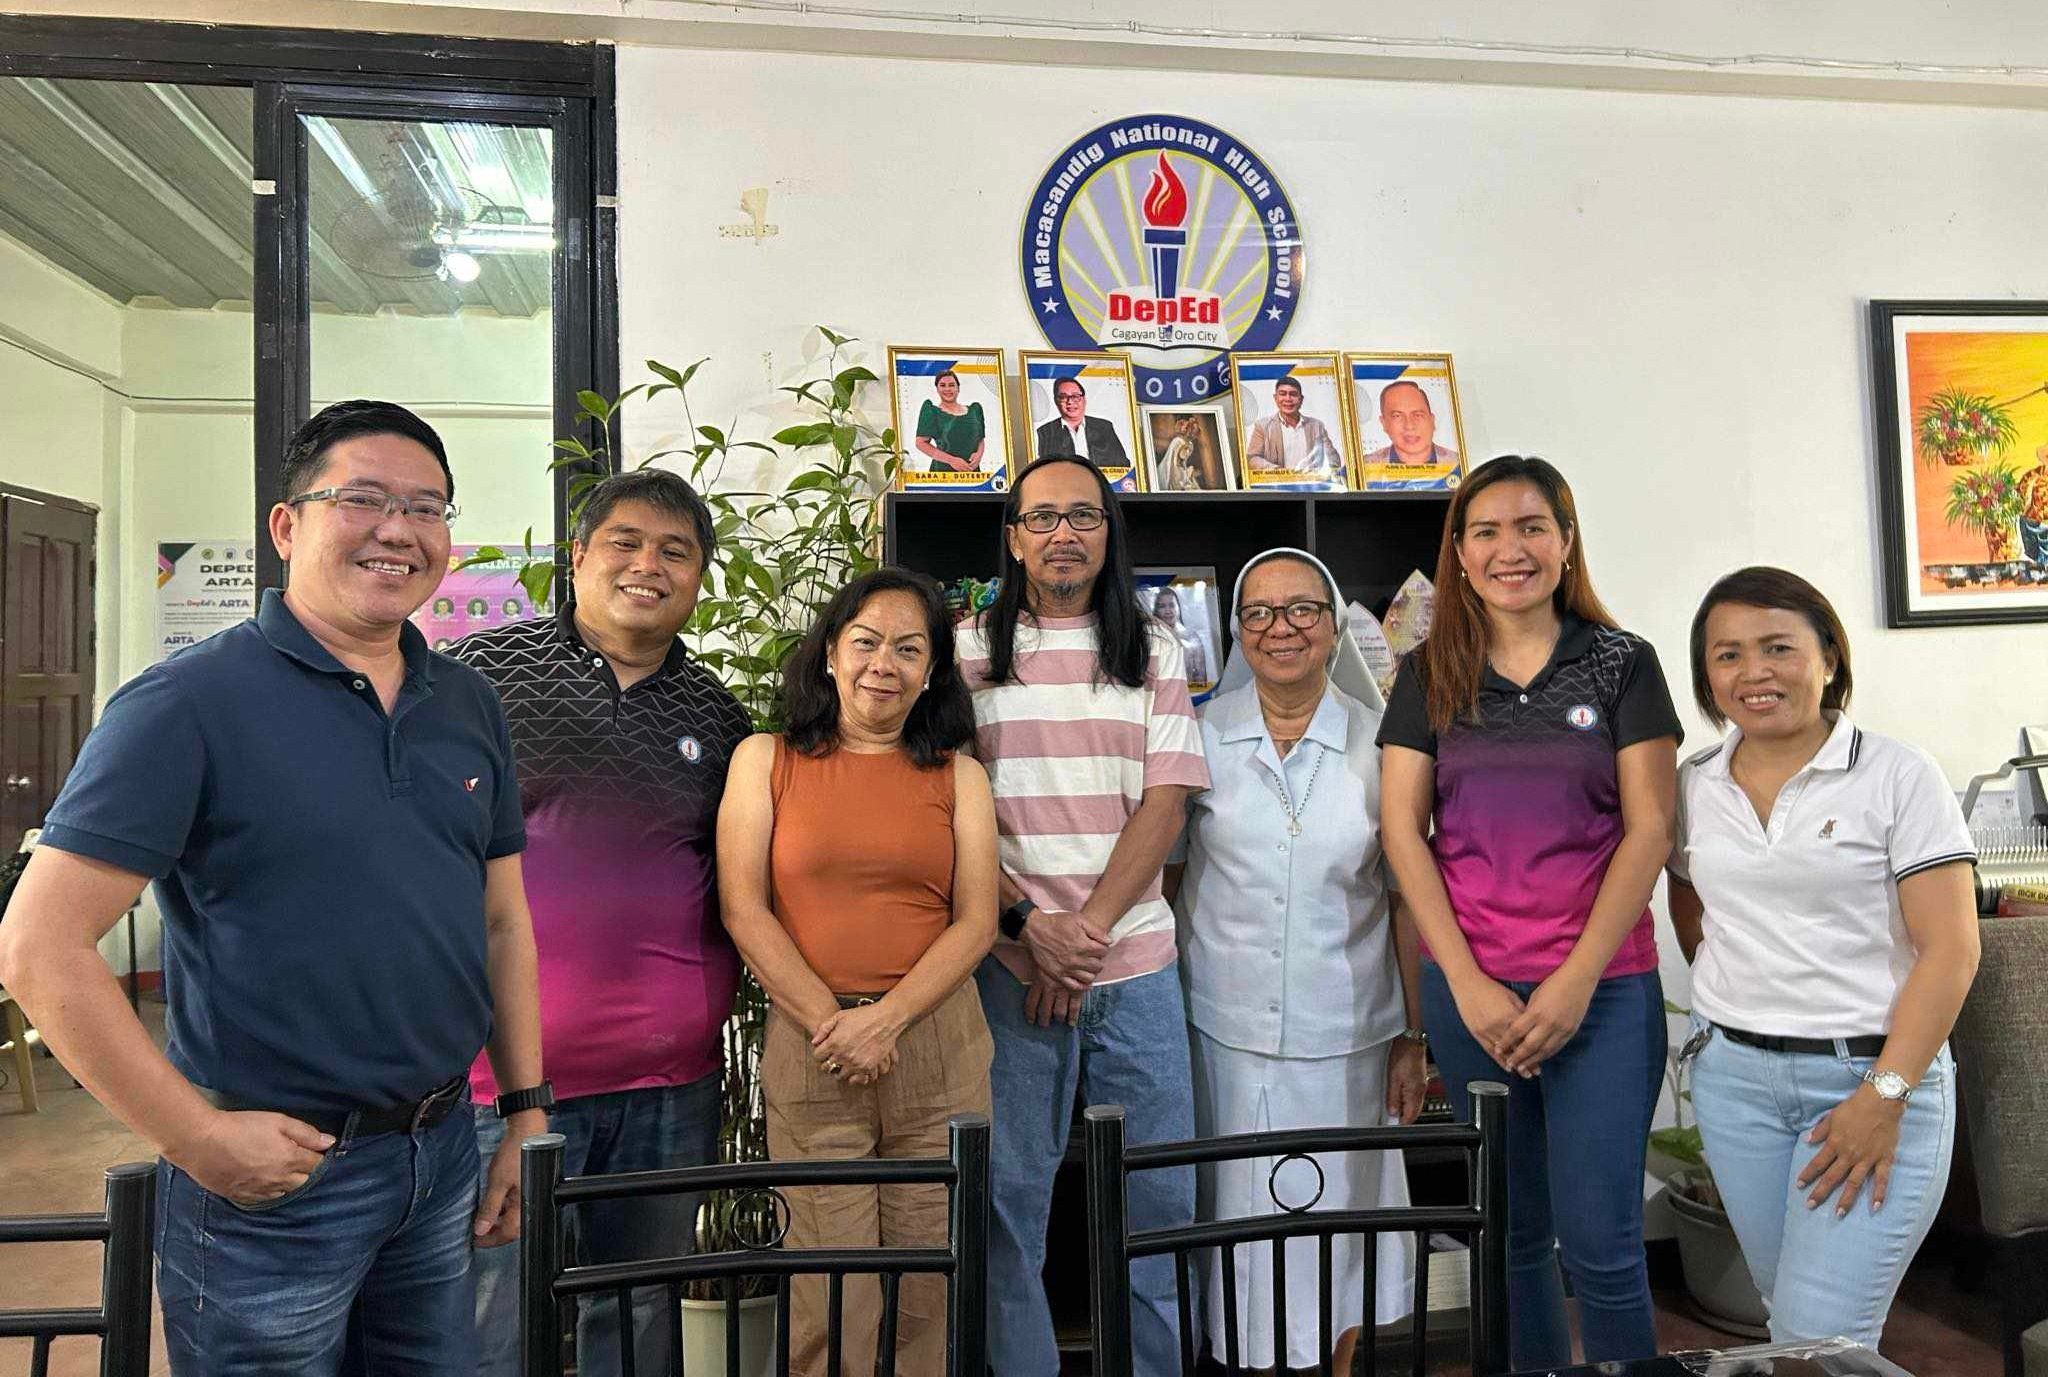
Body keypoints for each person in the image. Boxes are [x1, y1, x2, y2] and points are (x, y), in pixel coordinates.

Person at [0, 400, 545, 1374]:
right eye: (363, 498)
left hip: (441, 1150)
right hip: (275, 1180)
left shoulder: (465, 703)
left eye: (426, 507)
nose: (397, 529)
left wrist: (524, 1111)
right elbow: (39, 947)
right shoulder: (187, 705)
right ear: (287, 525)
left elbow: (501, 922)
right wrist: (195, 1137)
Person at [1376, 454, 1681, 1368]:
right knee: (1510, 1243)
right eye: (1487, 532)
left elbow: (1651, 827)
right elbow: (1404, 832)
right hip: (1476, 1000)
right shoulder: (1429, 671)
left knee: (1606, 1250)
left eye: (1531, 526)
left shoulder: (1623, 662)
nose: (1511, 548)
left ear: (1565, 538)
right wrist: (1462, 986)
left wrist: (1575, 981)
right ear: (1460, 556)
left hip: (1604, 996)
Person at [454, 468, 753, 1377]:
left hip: (672, 1082)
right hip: (500, 1084)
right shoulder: (480, 679)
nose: (648, 566)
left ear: (699, 576)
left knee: (641, 1309)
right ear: (577, 555)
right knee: (491, 1313)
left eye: (676, 550)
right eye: (624, 542)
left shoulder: (719, 715)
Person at [1668, 567, 1979, 1346]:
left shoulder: (1897, 774)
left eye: (1779, 647)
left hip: (1866, 1081)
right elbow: (1689, 898)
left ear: (1831, 656)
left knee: (1820, 1339)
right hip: (1736, 1084)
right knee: (1795, 1327)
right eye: (1728, 655)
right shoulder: (1694, 783)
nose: (1753, 672)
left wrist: (1884, 1094)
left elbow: (1951, 951)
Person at [955, 455, 1210, 1375]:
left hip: (1132, 971)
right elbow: (951, 817)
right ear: (1015, 537)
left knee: (1159, 1206)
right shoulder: (966, 654)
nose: (1064, 533)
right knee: (1004, 1207)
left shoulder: (1152, 650)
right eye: (1043, 517)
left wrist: (1082, 938)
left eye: (1084, 516)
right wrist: (1032, 933)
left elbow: (1166, 802)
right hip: (1008, 972)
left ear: (1109, 532)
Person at [718, 567, 998, 1377]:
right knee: (828, 1293)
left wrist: (889, 1018)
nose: (886, 663)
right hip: (815, 1046)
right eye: (867, 641)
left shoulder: (960, 774)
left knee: (929, 1294)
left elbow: (976, 919)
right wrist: (835, 1022)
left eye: (910, 649)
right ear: (832, 653)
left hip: (937, 1045)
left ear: (934, 670)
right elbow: (745, 907)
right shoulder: (764, 758)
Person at [1172, 548, 1426, 1374]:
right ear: (1238, 630)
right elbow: (1171, 877)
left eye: (1303, 611)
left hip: (1350, 1033)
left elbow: (1402, 897)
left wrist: (1413, 1036)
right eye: (1259, 613)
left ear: (1331, 622)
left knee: (1344, 1235)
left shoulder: (1381, 741)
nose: (1281, 629)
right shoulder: (1200, 737)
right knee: (1241, 1236)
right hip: (1226, 1032)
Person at [1245, 376, 1341, 477]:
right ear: (1275, 398)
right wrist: (1278, 471)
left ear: (1301, 399)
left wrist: (1320, 472)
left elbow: (1333, 458)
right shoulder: (1262, 426)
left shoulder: (1317, 426)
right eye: (1283, 394)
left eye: (1293, 394)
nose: (1288, 399)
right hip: (1277, 487)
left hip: (1312, 486)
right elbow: (1252, 459)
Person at [1033, 376, 1131, 471]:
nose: (1070, 402)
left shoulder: (1104, 427)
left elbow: (1123, 464)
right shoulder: (1045, 432)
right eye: (1063, 397)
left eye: (1075, 396)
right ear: (1056, 401)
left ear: (1084, 400)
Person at [1362, 380, 1460, 469]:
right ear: (1384, 423)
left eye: (1418, 415)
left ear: (1432, 420)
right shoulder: (1364, 468)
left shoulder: (1458, 465)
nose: (1409, 426)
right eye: (1397, 416)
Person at [913, 369, 988, 473]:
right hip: (942, 473)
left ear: (958, 388)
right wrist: (951, 460)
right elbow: (920, 443)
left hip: (971, 471)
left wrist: (979, 456)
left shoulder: (975, 410)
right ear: (937, 389)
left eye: (952, 385)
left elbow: (980, 439)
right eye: (943, 385)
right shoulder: (932, 412)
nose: (947, 389)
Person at [1150, 585, 1209, 685]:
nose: (1168, 611)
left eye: (1171, 605)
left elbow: (1201, 679)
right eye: (1162, 606)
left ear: (1178, 607)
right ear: (1156, 610)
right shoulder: (1150, 639)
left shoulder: (1192, 638)